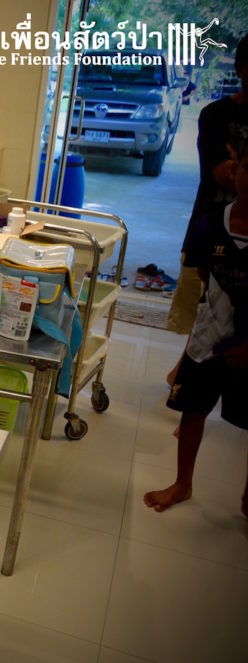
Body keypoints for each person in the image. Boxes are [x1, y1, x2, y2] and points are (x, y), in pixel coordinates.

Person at [144, 148, 248, 516]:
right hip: (209, 339)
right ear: (235, 171)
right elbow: (205, 276)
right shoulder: (210, 225)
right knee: (193, 412)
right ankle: (183, 483)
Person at [167, 34, 248, 340]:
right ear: (239, 68)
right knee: (199, 321)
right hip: (211, 231)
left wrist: (236, 162)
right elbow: (224, 175)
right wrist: (234, 170)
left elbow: (233, 172)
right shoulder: (216, 115)